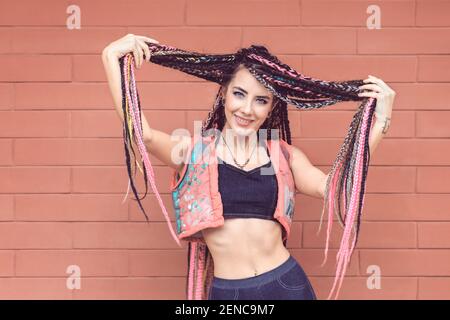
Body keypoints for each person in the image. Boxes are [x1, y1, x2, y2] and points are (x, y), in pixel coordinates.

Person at [102, 34, 395, 300]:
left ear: (271, 108)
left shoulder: (283, 156)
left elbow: (333, 188)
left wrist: (379, 123)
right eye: (239, 94)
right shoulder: (194, 151)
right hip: (229, 293)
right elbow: (145, 135)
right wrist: (110, 57)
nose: (246, 109)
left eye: (261, 101)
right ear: (224, 94)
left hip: (286, 285)